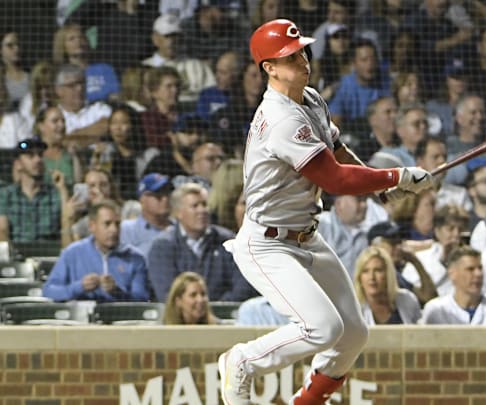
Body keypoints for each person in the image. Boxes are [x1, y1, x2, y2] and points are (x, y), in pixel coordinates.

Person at [218, 19, 434, 405]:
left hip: (305, 233)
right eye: (290, 55)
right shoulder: (281, 118)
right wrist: (395, 174)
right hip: (268, 242)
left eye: (301, 50)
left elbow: (337, 152)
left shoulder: (311, 98)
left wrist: (383, 185)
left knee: (353, 335)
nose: (302, 59)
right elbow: (332, 178)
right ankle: (243, 360)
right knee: (322, 327)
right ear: (268, 67)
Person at [148, 183, 257, 303]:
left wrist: (213, 311)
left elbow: (242, 287)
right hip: (179, 320)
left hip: (223, 316)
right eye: (195, 206)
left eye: (204, 205)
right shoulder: (163, 246)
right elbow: (167, 294)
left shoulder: (227, 241)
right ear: (179, 213)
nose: (202, 210)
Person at [42, 200, 150, 302]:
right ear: (92, 226)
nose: (114, 230)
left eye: (117, 224)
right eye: (107, 224)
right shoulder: (72, 253)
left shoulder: (135, 258)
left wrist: (116, 291)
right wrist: (79, 287)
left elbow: (142, 299)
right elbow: (49, 291)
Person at [420, 246, 486, 325]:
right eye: (470, 269)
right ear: (452, 274)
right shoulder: (436, 310)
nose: (478, 274)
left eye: (480, 268)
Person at [0, 139, 64, 243]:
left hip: (50, 254)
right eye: (30, 156)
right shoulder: (5, 195)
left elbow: (66, 226)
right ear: (18, 164)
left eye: (40, 155)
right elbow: (2, 230)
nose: (37, 160)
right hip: (17, 254)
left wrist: (62, 189)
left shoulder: (55, 194)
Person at [353, 246, 422, 325]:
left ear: (388, 274)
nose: (371, 277)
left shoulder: (407, 299)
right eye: (365, 271)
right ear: (359, 278)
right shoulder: (354, 310)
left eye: (378, 270)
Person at [120, 173, 174, 258]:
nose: (165, 199)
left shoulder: (180, 227)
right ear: (142, 199)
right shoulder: (127, 229)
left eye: (167, 193)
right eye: (158, 195)